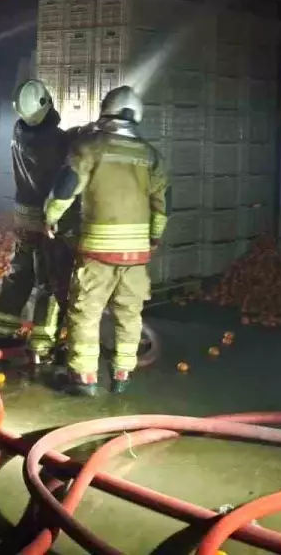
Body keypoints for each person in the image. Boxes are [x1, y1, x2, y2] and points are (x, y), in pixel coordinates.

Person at [44, 86, 169, 397]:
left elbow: (66, 188)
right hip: (136, 254)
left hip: (97, 252)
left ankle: (84, 378)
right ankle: (122, 375)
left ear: (105, 110)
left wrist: (51, 217)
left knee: (85, 312)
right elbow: (162, 205)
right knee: (129, 314)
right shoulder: (151, 156)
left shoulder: (89, 147)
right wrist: (154, 237)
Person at [0, 80, 77, 367]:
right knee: (49, 281)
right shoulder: (55, 140)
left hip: (22, 216)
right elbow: (67, 165)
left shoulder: (19, 130)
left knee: (19, 274)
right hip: (45, 218)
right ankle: (41, 345)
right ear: (46, 102)